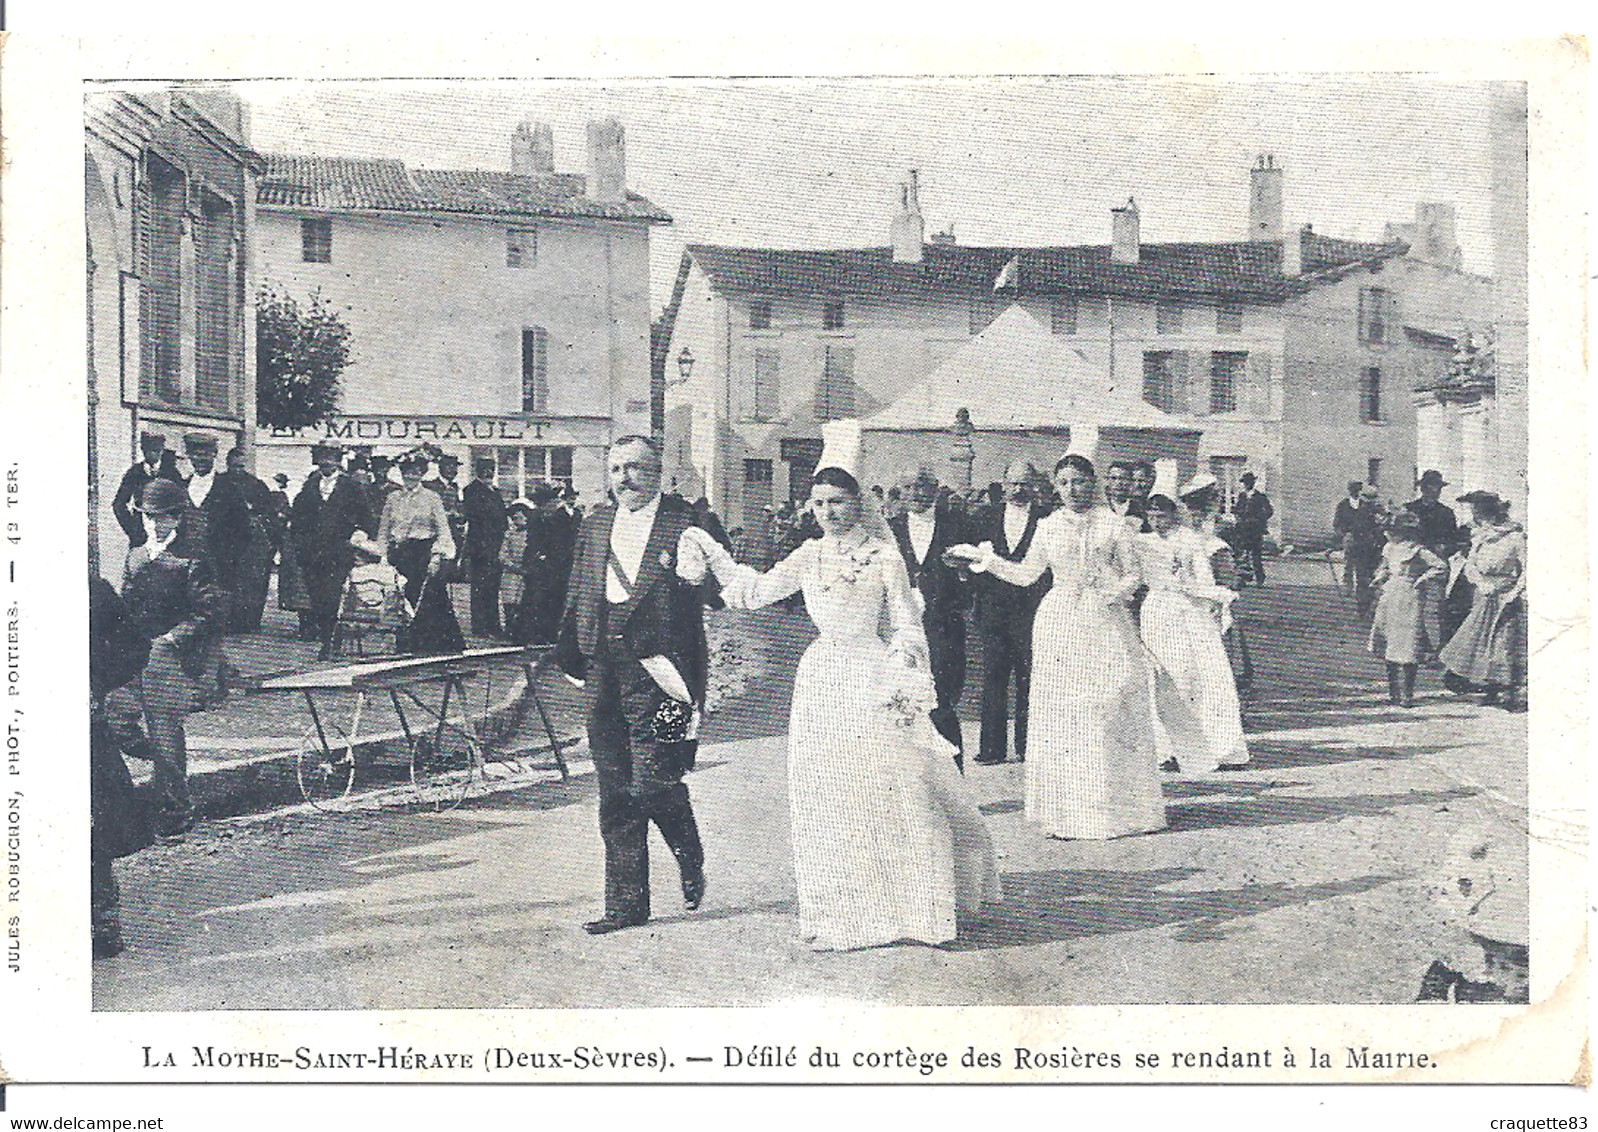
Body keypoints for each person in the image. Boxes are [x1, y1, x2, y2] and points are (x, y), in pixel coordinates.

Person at [692, 463, 1001, 950]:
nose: (828, 511)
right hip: (822, 679)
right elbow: (752, 592)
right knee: (830, 792)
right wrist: (707, 546)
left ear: (858, 502)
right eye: (819, 503)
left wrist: (904, 662)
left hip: (872, 674)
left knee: (885, 786)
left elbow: (905, 620)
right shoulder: (809, 554)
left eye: (837, 501)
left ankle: (909, 905)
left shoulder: (883, 554)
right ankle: (845, 906)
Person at [947, 454, 1166, 840]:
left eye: (1079, 481)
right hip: (1060, 619)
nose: (1072, 490)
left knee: (1107, 705)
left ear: (1092, 482)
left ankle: (1117, 806)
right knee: (1063, 710)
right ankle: (1069, 808)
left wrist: (1113, 592)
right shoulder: (1047, 526)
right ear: (1055, 487)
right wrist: (986, 560)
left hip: (1103, 619)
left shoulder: (1113, 525)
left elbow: (1134, 573)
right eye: (1063, 483)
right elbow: (1027, 573)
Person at [551, 436, 717, 935]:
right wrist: (571, 646)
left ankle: (688, 852)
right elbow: (580, 585)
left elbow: (723, 592)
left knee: (655, 779)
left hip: (665, 674)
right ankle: (626, 905)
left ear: (658, 471)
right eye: (618, 468)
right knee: (615, 790)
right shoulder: (596, 521)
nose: (626, 477)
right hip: (604, 666)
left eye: (637, 468)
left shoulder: (689, 523)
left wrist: (697, 577)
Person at [119, 478, 225, 839]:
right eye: (148, 517)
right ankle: (166, 768)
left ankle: (176, 809)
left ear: (177, 518)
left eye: (161, 518)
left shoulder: (192, 559)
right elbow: (125, 604)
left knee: (165, 733)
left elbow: (207, 613)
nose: (153, 524)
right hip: (134, 656)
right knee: (117, 722)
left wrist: (171, 638)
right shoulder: (136, 554)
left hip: (169, 660)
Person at [1137, 482, 1248, 773]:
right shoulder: (1143, 542)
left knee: (1197, 677)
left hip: (1188, 612)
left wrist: (1204, 594)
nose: (1156, 520)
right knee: (1163, 679)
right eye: (1151, 514)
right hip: (1157, 614)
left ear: (1174, 513)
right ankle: (1166, 749)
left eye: (1162, 514)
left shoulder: (1190, 540)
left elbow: (1204, 579)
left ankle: (1212, 746)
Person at [886, 466, 969, 764]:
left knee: (943, 703)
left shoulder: (957, 525)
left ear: (935, 489)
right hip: (903, 632)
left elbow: (977, 578)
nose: (917, 494)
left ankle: (954, 785)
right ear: (900, 491)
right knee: (902, 703)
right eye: (908, 487)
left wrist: (963, 573)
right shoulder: (889, 529)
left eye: (923, 486)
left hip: (945, 628)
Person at [970, 458, 1049, 766]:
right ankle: (992, 748)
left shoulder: (1046, 518)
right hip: (994, 612)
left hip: (1033, 612)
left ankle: (1029, 747)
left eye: (1025, 484)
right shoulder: (985, 516)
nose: (1018, 489)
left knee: (1031, 679)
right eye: (1013, 483)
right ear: (1003, 486)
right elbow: (973, 559)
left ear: (1035, 486)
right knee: (994, 679)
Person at [90, 573, 153, 958]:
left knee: (91, 831)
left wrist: (97, 683)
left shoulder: (92, 591)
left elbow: (134, 646)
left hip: (82, 733)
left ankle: (102, 924)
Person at [1438, 491, 1526, 710]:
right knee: (1480, 639)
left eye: (1481, 516)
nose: (1479, 521)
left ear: (1493, 515)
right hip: (1484, 594)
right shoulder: (1479, 538)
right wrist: (1480, 583)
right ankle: (1490, 688)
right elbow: (1470, 566)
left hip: (1506, 594)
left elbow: (1527, 568)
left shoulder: (1515, 537)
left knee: (1504, 642)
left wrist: (1514, 592)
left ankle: (1510, 691)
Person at [291, 443, 374, 657]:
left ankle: (329, 641)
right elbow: (298, 519)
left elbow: (366, 519)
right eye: (323, 457)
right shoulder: (309, 486)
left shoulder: (352, 487)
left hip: (339, 552)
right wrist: (301, 546)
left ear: (339, 461)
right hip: (312, 554)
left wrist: (358, 536)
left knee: (333, 595)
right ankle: (327, 634)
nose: (327, 462)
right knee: (316, 597)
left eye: (332, 457)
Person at [380, 452, 464, 656]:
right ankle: (404, 646)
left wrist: (437, 556)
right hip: (400, 555)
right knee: (400, 598)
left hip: (423, 554)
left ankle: (432, 649)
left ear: (422, 474)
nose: (410, 477)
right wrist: (382, 556)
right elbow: (383, 530)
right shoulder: (393, 498)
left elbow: (443, 530)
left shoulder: (431, 498)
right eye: (406, 473)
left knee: (427, 599)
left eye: (415, 473)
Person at [1369, 511, 1450, 708]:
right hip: (1390, 596)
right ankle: (1393, 692)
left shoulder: (1418, 550)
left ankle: (1407, 694)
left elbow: (1440, 566)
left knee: (1407, 643)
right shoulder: (1389, 548)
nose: (1387, 534)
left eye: (1391, 530)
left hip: (1410, 597)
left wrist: (1422, 578)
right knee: (1389, 642)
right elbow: (1386, 567)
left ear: (1403, 532)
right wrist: (1380, 576)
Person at [181, 434, 251, 632]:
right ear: (189, 456)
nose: (200, 459)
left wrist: (229, 558)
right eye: (195, 454)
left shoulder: (229, 489)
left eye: (206, 454)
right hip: (185, 563)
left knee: (214, 620)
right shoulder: (182, 486)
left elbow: (244, 531)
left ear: (214, 455)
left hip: (218, 567)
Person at [220, 448, 278, 634]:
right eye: (234, 466)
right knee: (227, 581)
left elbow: (269, 511)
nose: (237, 470)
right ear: (227, 464)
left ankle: (250, 621)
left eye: (241, 466)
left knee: (252, 583)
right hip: (226, 540)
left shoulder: (255, 485)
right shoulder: (219, 483)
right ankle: (228, 620)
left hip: (252, 541)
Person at [1405, 470, 1464, 650]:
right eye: (1433, 486)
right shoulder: (1409, 509)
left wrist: (1446, 547)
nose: (1437, 490)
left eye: (1439, 487)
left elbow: (1454, 541)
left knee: (1435, 607)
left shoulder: (1446, 513)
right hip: (1414, 563)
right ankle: (1421, 645)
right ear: (1423, 488)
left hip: (1437, 565)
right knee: (1413, 605)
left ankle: (1439, 648)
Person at [519, 482, 575, 645]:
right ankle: (537, 633)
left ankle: (542, 633)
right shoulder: (544, 515)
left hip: (553, 565)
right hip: (545, 565)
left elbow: (562, 544)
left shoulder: (559, 516)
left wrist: (545, 556)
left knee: (547, 599)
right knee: (540, 598)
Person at [463, 458, 510, 638]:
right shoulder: (472, 490)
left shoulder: (495, 491)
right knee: (480, 588)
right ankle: (480, 627)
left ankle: (494, 625)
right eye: (484, 469)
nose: (488, 473)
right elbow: (478, 518)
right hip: (481, 547)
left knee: (493, 587)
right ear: (477, 470)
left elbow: (501, 518)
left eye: (491, 469)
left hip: (496, 546)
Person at [111, 432, 180, 550]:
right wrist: (134, 532)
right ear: (143, 450)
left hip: (166, 534)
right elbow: (119, 504)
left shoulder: (172, 473)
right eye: (149, 451)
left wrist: (173, 528)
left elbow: (180, 504)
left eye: (157, 451)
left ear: (162, 450)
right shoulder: (134, 473)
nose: (153, 455)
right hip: (142, 532)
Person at [1334, 482, 1385, 615]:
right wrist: (1342, 536)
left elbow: (1379, 523)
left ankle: (1365, 601)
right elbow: (1338, 523)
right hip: (1353, 541)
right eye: (1353, 489)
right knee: (1352, 566)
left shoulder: (1369, 507)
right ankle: (1353, 593)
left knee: (1367, 574)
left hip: (1369, 545)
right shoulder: (1344, 505)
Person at [498, 500, 533, 644]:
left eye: (520, 517)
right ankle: (509, 629)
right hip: (511, 572)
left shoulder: (532, 534)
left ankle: (522, 631)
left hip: (527, 572)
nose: (517, 521)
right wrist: (512, 566)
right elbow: (502, 555)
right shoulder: (509, 534)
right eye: (514, 518)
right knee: (509, 601)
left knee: (523, 602)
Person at [1230, 472, 1274, 586]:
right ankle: (1244, 578)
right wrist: (1235, 512)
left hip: (1255, 530)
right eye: (1245, 483)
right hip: (1243, 529)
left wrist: (1260, 521)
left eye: (1249, 482)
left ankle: (1260, 578)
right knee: (1242, 554)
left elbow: (1269, 511)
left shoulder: (1260, 497)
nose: (1246, 485)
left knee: (1256, 555)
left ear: (1253, 483)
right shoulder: (1242, 496)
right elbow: (1238, 509)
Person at [1103, 460, 1147, 533]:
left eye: (1123, 478)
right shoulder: (1102, 506)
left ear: (1131, 482)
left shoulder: (1140, 510)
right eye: (1113, 478)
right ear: (1107, 481)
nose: (1118, 483)